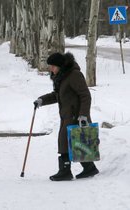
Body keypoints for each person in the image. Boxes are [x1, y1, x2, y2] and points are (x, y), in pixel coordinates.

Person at [34, 52, 99, 181]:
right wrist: (41, 100)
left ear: (60, 65)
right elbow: (56, 95)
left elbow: (85, 95)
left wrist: (83, 115)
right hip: (67, 115)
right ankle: (89, 167)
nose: (50, 69)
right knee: (73, 142)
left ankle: (65, 171)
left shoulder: (74, 75)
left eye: (52, 66)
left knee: (67, 141)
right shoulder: (61, 77)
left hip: (76, 116)